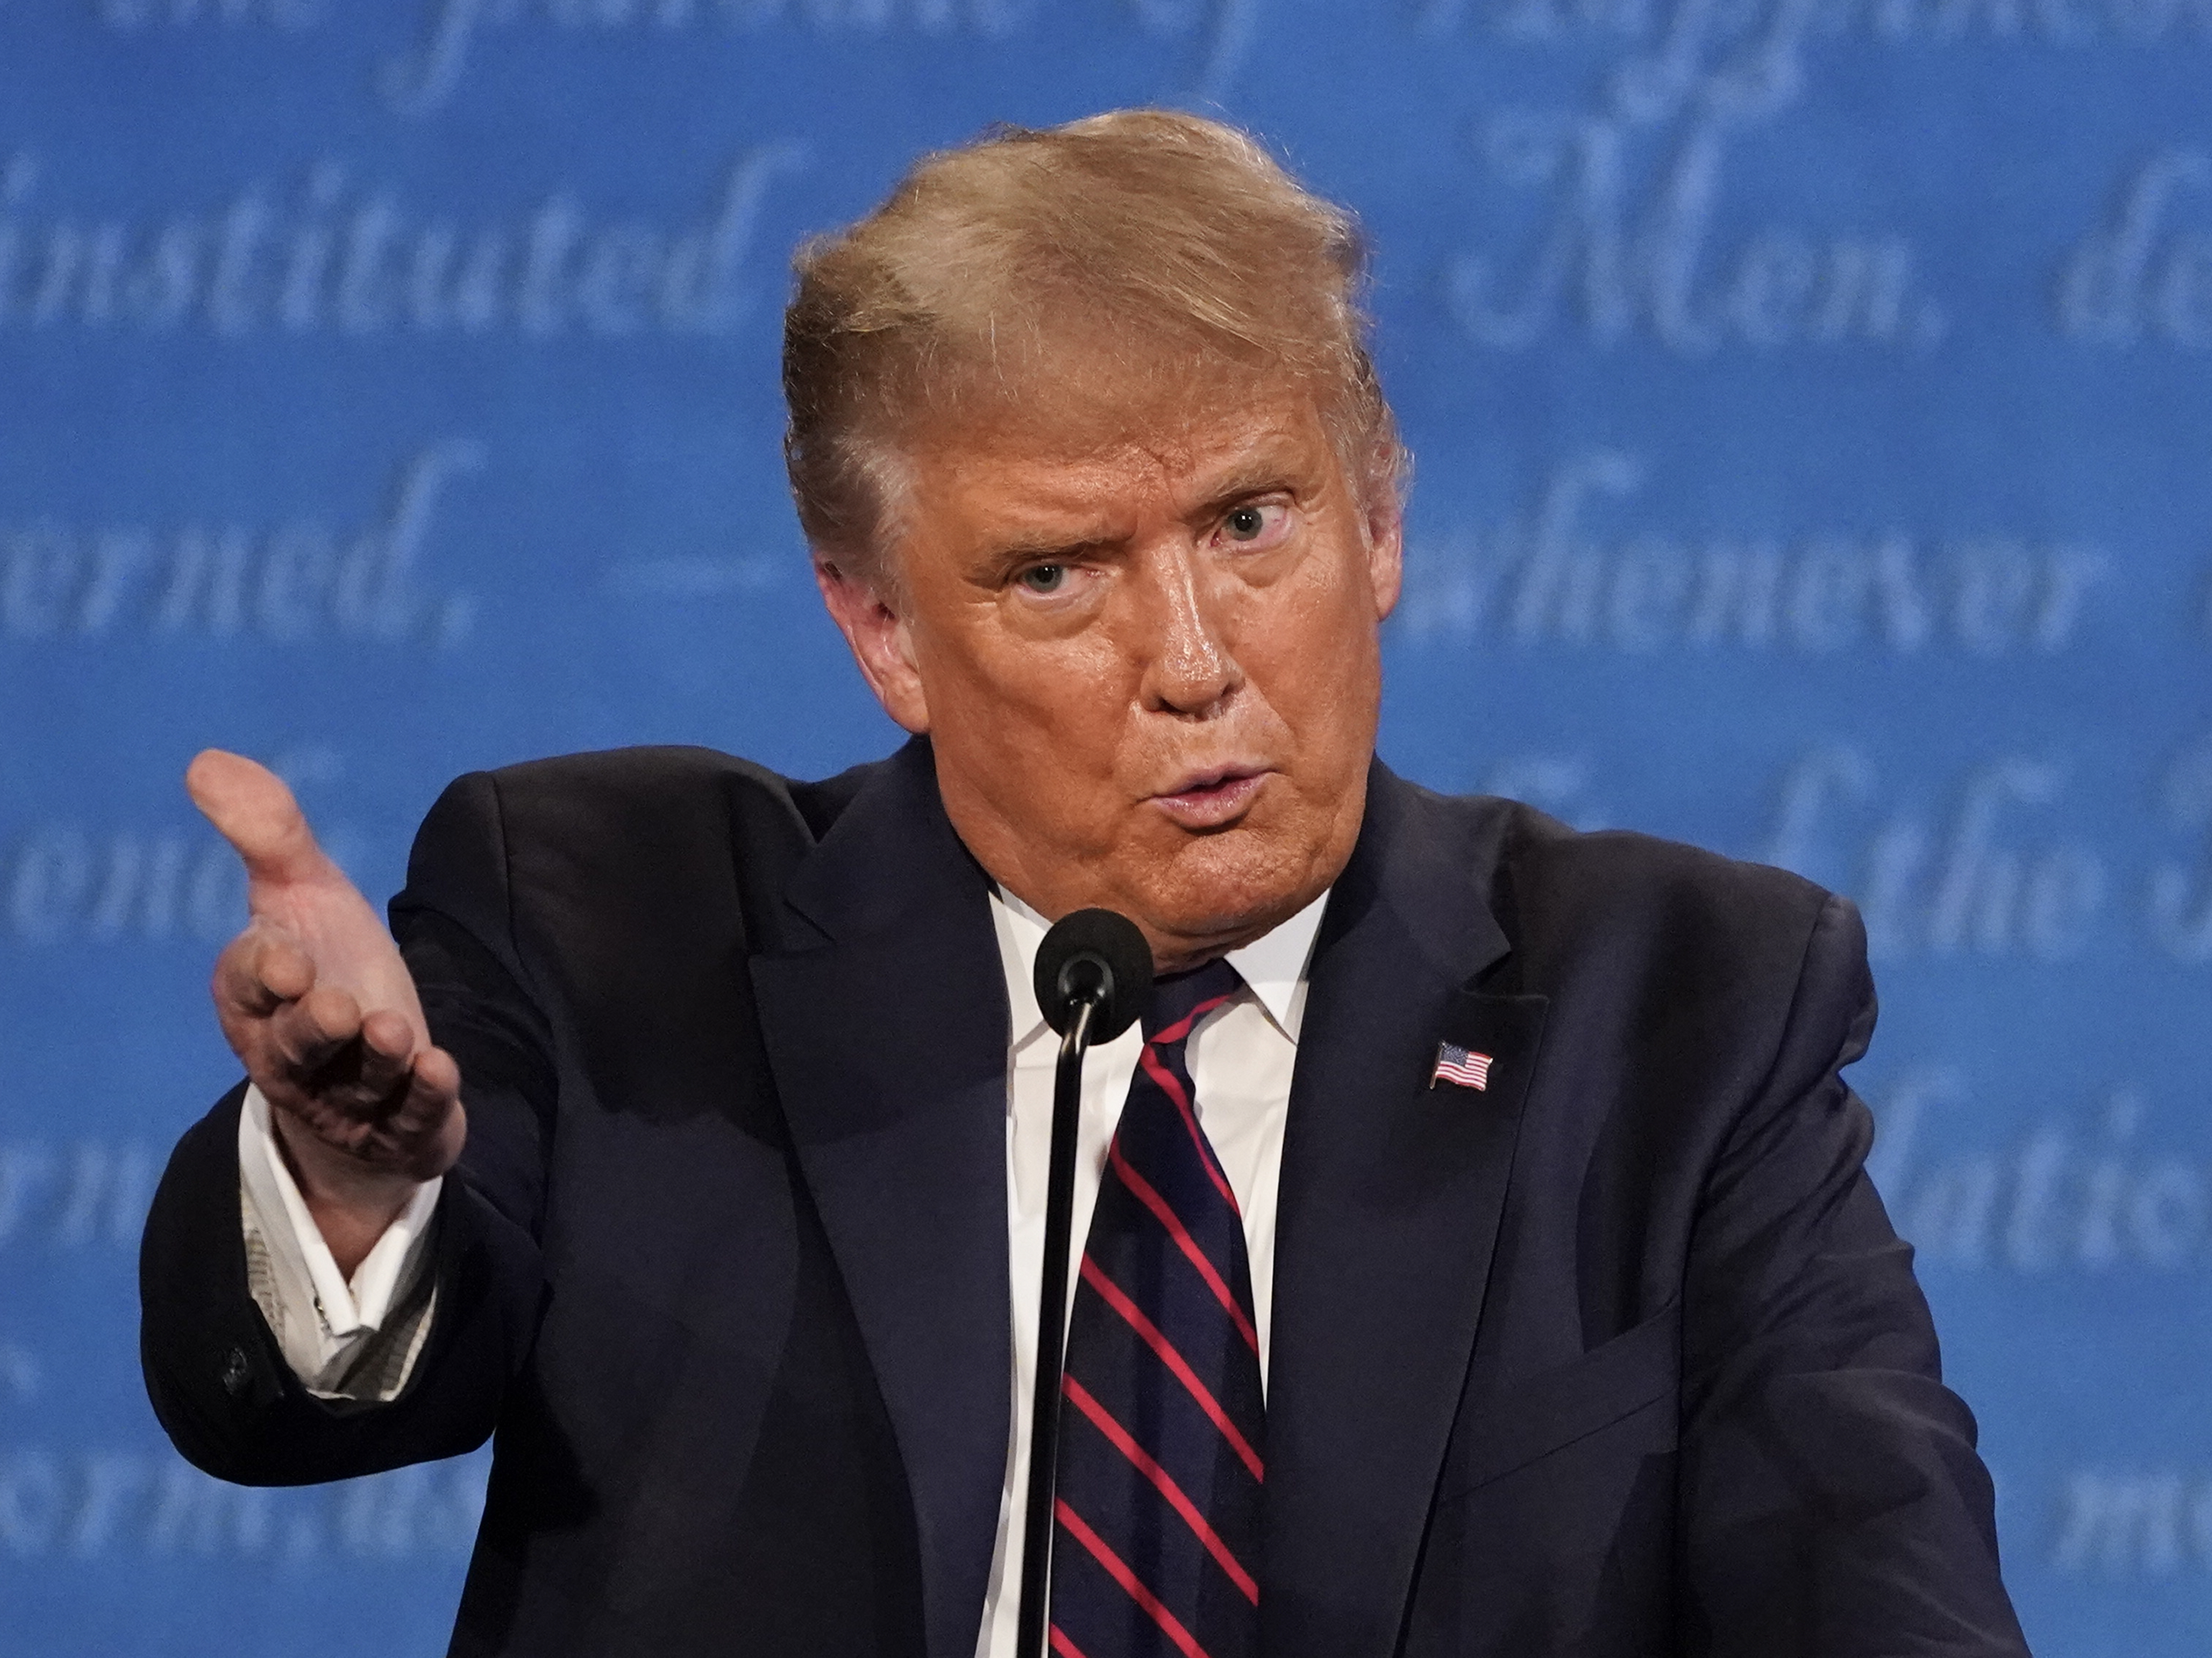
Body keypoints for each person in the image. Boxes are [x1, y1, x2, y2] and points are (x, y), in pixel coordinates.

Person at [140, 111, 2031, 1658]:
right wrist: (352, 1184)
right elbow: (290, 1411)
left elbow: (1877, 1570)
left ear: (1380, 520)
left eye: (1251, 521)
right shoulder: (616, 927)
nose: (1194, 662)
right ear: (883, 629)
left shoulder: (1684, 1009)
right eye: (1057, 573)